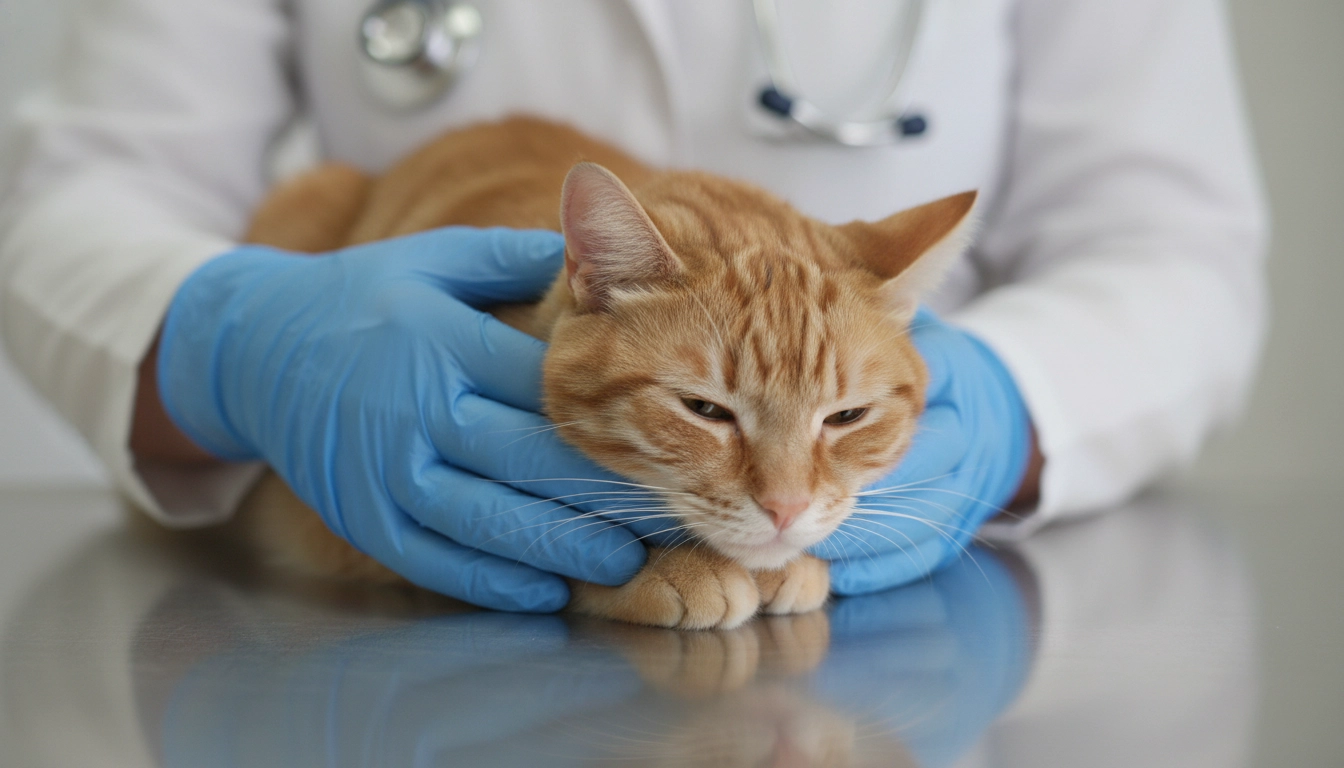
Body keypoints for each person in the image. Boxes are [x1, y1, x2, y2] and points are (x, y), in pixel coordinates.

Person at [0, 0, 1266, 611]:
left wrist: (1001, 408)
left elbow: (1173, 246)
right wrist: (227, 342)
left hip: (932, 592)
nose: (782, 497)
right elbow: (79, 195)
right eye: (723, 420)